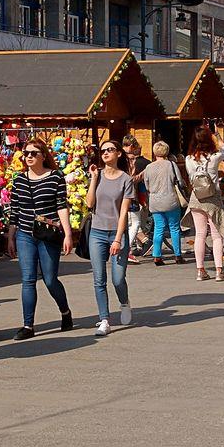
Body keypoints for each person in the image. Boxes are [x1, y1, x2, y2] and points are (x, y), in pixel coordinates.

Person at [6, 139, 74, 341]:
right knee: (28, 280)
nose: (28, 156)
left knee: (50, 279)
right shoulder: (19, 180)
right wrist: (11, 237)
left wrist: (68, 234)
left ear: (43, 155)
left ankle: (65, 312)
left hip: (48, 234)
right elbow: (14, 211)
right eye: (26, 153)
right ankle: (28, 325)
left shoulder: (55, 177)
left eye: (34, 153)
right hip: (25, 234)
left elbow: (62, 205)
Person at [86, 139, 135, 336]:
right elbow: (90, 204)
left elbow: (124, 213)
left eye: (110, 150)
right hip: (96, 232)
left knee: (117, 279)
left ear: (119, 154)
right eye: (103, 150)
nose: (105, 153)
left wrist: (117, 238)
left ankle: (124, 302)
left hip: (117, 232)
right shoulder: (97, 175)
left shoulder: (126, 180)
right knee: (99, 279)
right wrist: (93, 178)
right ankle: (104, 319)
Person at [183, 127, 224, 282]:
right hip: (213, 198)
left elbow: (190, 177)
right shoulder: (215, 157)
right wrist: (217, 136)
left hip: (196, 198)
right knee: (217, 235)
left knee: (199, 234)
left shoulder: (188, 159)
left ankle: (200, 270)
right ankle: (219, 271)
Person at [142, 141, 185, 266]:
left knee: (158, 228)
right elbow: (180, 181)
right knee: (174, 228)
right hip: (170, 199)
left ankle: (157, 255)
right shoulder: (171, 165)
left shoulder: (149, 167)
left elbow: (147, 185)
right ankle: (177, 255)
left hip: (155, 202)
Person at [123, 136, 150, 262]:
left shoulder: (118, 156)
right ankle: (127, 249)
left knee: (128, 223)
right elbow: (131, 179)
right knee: (135, 223)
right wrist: (143, 173)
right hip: (130, 195)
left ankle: (132, 246)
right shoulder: (130, 159)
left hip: (121, 195)